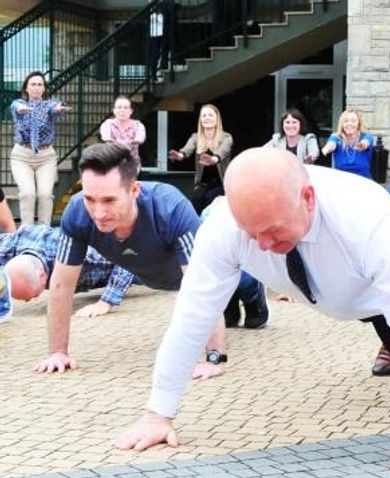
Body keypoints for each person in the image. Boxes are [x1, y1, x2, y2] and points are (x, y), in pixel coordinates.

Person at [113, 147, 390, 478]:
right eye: (251, 233)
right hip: (349, 289)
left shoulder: (371, 227)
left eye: (272, 230)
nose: (263, 246)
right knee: (373, 309)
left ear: (307, 199)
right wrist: (158, 412)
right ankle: (389, 342)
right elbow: (191, 317)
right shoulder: (224, 227)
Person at [33, 143, 237, 379]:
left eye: (109, 200)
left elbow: (204, 285)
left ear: (134, 190)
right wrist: (58, 352)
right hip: (148, 276)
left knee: (241, 288)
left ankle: (254, 306)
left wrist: (214, 359)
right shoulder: (77, 212)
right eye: (91, 199)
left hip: (204, 275)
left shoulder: (170, 208)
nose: (98, 212)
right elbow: (61, 285)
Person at [1, 224, 137, 318]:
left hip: (124, 263)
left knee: (152, 272)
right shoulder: (11, 245)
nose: (28, 302)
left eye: (31, 296)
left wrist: (106, 302)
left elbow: (128, 257)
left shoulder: (81, 256)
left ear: (41, 274)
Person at [11, 71, 70, 227]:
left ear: (44, 89)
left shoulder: (49, 104)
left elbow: (55, 107)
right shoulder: (18, 103)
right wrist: (22, 109)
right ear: (26, 88)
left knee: (45, 194)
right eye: (33, 84)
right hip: (21, 155)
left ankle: (44, 232)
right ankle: (27, 232)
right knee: (28, 194)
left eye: (40, 84)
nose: (36, 88)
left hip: (46, 157)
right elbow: (16, 106)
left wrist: (59, 108)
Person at [168, 104, 233, 214]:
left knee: (211, 198)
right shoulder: (196, 137)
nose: (207, 118)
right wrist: (180, 155)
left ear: (217, 119)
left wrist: (214, 159)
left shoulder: (226, 137)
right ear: (201, 120)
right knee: (195, 200)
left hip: (222, 183)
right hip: (203, 184)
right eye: (204, 116)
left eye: (210, 115)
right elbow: (188, 148)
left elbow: (223, 151)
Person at [321, 109, 377, 180]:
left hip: (364, 183)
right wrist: (327, 148)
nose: (349, 123)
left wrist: (362, 145)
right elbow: (332, 143)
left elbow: (365, 142)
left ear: (358, 124)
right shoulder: (336, 137)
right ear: (342, 124)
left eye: (353, 121)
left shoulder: (367, 136)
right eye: (346, 121)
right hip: (342, 183)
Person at [99, 96, 146, 164]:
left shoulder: (138, 125)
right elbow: (105, 137)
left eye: (126, 108)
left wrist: (137, 140)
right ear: (114, 110)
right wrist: (108, 139)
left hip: (131, 162)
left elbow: (141, 138)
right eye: (119, 107)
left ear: (131, 111)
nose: (122, 110)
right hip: (112, 162)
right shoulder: (107, 124)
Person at [147, 0, 175, 75]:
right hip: (154, 26)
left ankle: (163, 71)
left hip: (164, 26)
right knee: (154, 50)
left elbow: (169, 10)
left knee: (164, 50)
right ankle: (153, 73)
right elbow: (151, 8)